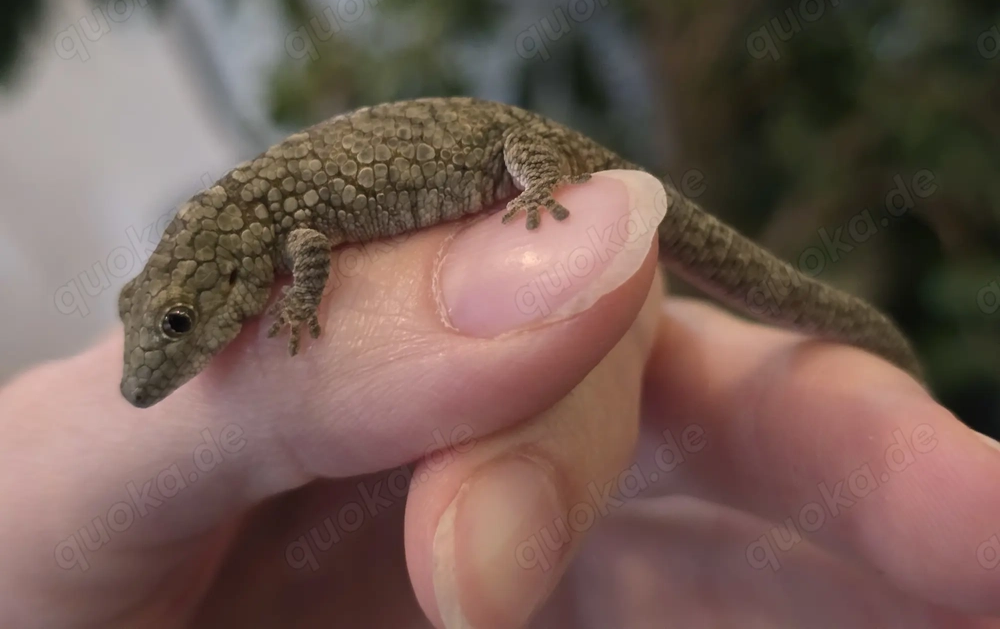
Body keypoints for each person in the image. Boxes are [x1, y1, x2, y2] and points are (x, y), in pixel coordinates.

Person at [1, 170, 997, 628]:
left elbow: (310, 257)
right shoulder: (242, 244)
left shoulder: (284, 249)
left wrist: (306, 314)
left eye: (171, 335)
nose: (154, 375)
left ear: (218, 291)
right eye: (155, 329)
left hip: (518, 161)